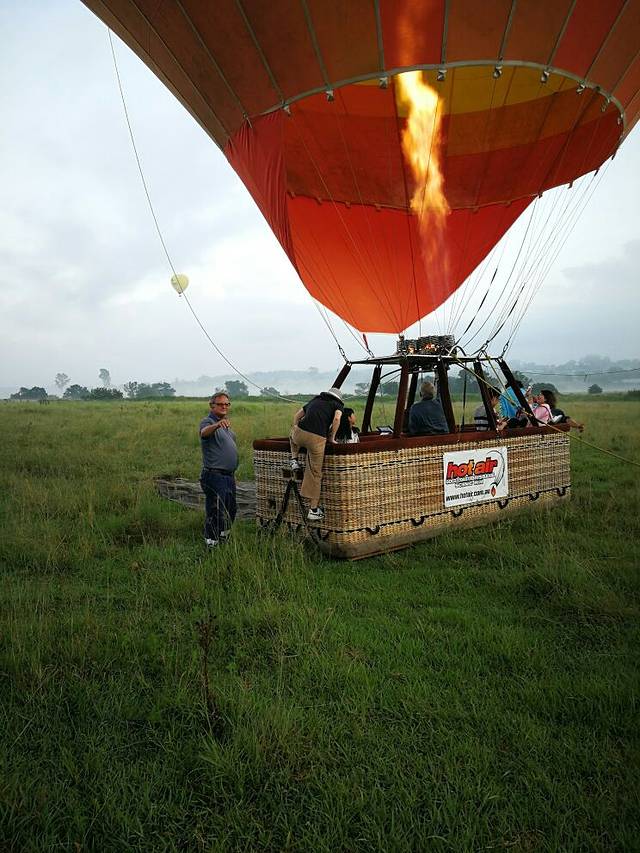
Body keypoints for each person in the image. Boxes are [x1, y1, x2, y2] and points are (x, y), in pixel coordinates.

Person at [290, 388, 344, 521]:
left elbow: (297, 416)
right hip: (318, 439)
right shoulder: (338, 405)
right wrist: (332, 437)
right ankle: (313, 510)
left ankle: (294, 460)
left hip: (300, 433)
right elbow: (337, 419)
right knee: (315, 473)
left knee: (292, 436)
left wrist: (296, 428)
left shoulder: (315, 399)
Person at [199, 392, 238, 548]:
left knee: (231, 509)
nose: (224, 406)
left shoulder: (226, 424)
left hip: (228, 476)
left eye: (227, 404)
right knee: (215, 510)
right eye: (220, 404)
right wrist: (216, 425)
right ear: (212, 405)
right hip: (214, 475)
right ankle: (211, 543)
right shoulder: (208, 422)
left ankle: (223, 537)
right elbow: (204, 433)